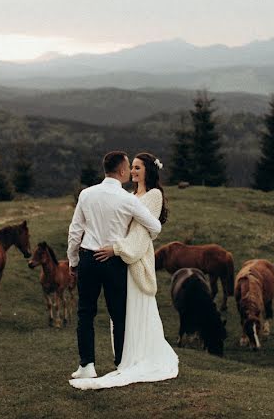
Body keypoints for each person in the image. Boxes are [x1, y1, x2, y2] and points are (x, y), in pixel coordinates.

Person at [69, 152, 179, 390]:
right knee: (118, 314)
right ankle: (121, 361)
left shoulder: (86, 194)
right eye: (130, 166)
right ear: (121, 171)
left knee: (85, 312)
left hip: (89, 257)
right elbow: (155, 226)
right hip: (113, 263)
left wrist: (72, 260)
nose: (132, 171)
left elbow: (75, 231)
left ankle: (87, 364)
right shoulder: (127, 198)